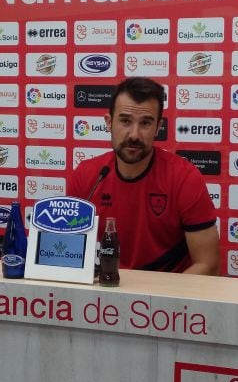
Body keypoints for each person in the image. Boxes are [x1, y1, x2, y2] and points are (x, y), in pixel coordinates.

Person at [69, 77, 220, 275]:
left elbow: (208, 264)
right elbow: (67, 253)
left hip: (167, 296)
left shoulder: (184, 177)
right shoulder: (87, 175)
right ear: (108, 122)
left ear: (158, 127)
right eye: (125, 121)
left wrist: (159, 302)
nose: (134, 134)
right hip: (106, 292)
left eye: (146, 123)